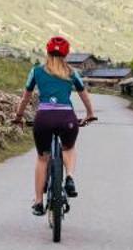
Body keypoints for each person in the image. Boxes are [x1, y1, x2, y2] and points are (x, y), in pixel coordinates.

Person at [14, 36, 96, 216]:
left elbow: (25, 97)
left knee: (43, 158)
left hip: (44, 119)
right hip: (66, 117)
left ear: (47, 52)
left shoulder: (36, 71)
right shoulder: (72, 73)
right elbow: (84, 96)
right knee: (68, 148)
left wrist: (19, 116)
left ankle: (37, 202)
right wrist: (90, 114)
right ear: (66, 55)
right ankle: (69, 177)